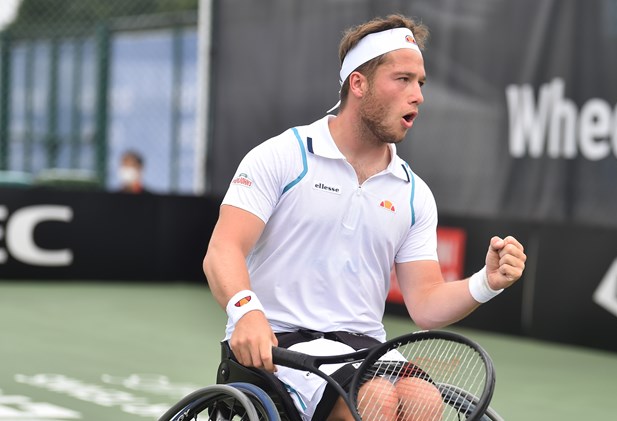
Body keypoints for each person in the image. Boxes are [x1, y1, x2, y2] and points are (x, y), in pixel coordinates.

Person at [203, 13, 527, 421]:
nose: (418, 96)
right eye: (403, 79)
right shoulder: (283, 156)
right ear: (359, 84)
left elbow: (425, 304)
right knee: (376, 402)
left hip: (365, 352)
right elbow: (223, 249)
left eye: (420, 83)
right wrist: (245, 310)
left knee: (423, 400)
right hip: (277, 348)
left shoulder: (414, 194)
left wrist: (487, 282)